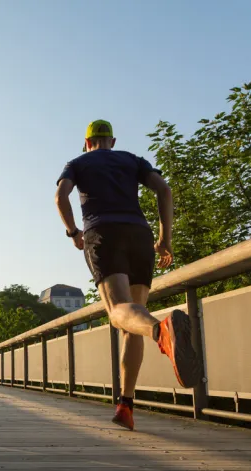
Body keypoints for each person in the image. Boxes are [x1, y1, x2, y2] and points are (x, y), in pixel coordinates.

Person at [55, 119, 203, 431]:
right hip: (139, 235)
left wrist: (73, 232)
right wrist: (165, 239)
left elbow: (60, 196)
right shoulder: (132, 160)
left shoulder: (78, 163)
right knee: (131, 320)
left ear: (87, 143)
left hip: (103, 234)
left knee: (118, 313)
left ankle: (162, 331)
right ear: (112, 140)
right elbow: (164, 189)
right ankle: (126, 404)